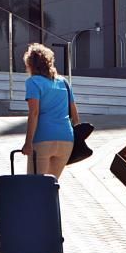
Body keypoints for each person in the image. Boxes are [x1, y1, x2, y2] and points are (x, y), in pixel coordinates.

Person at [21, 43, 79, 178]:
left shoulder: (33, 82)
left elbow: (34, 113)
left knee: (35, 184)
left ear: (31, 64)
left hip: (43, 138)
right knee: (52, 185)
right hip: (66, 139)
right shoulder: (64, 82)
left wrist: (28, 143)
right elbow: (75, 116)